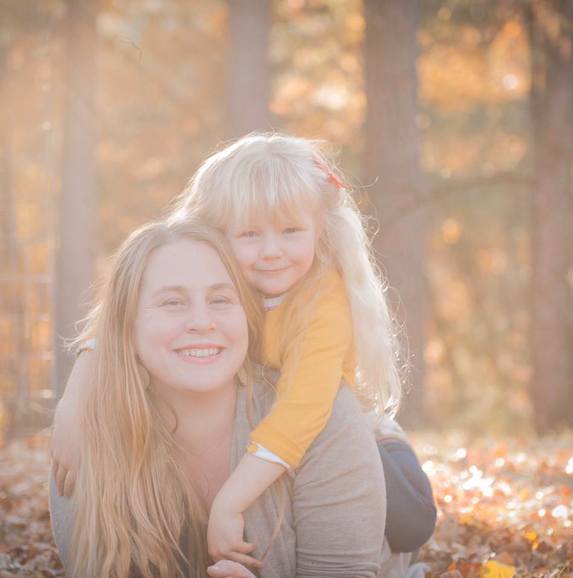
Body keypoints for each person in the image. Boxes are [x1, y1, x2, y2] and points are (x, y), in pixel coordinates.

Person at [51, 133, 436, 564]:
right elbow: (115, 323)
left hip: (323, 415)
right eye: (250, 233)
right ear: (217, 231)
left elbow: (301, 414)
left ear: (320, 232)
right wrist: (73, 402)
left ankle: (391, 441)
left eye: (291, 231)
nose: (271, 252)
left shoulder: (323, 305)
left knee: (410, 522)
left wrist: (230, 501)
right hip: (265, 407)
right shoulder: (217, 273)